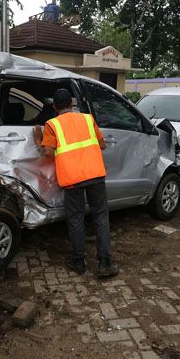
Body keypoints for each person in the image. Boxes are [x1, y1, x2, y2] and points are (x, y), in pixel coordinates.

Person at [34, 88, 118, 278]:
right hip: (95, 175)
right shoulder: (88, 119)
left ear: (55, 107)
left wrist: (38, 138)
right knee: (101, 218)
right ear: (71, 105)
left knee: (76, 219)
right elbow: (102, 145)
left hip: (72, 179)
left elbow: (48, 153)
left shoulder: (52, 124)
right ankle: (105, 263)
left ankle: (79, 262)